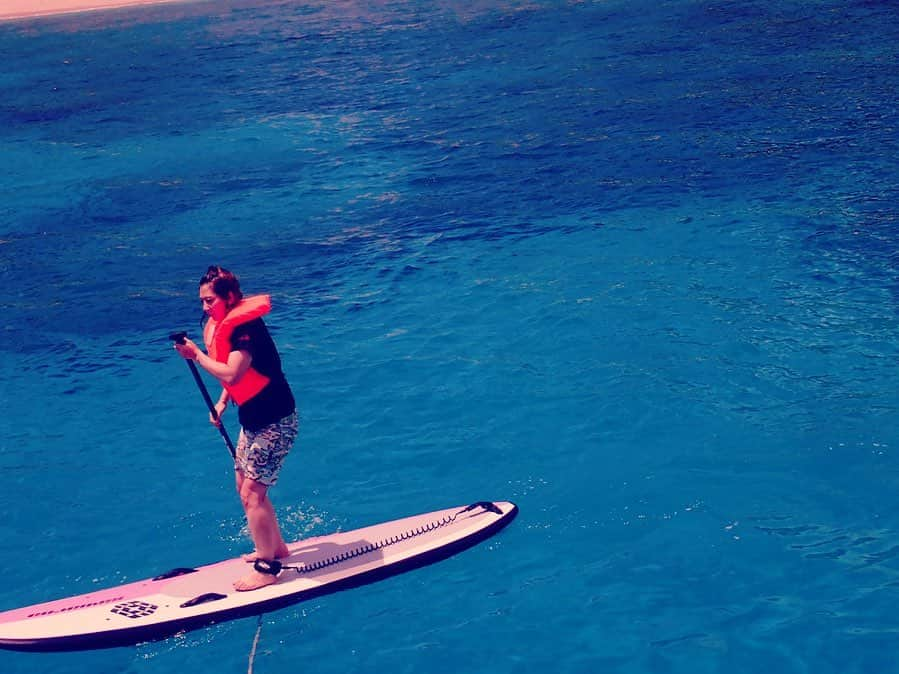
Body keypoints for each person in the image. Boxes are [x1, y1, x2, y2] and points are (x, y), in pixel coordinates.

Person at [174, 265, 298, 592]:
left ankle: (268, 567)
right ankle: (277, 548)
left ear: (229, 297)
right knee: (243, 484)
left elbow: (233, 372)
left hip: (276, 419)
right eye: (201, 301)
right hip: (252, 418)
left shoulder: (247, 330)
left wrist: (196, 356)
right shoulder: (219, 326)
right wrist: (223, 403)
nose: (205, 307)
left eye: (210, 300)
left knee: (252, 494)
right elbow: (236, 382)